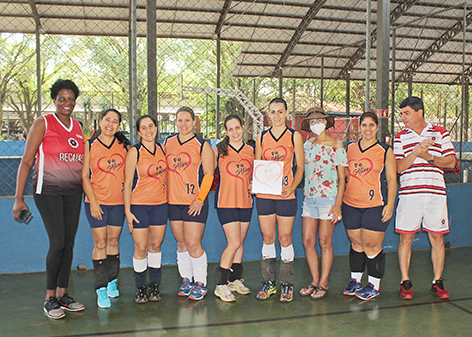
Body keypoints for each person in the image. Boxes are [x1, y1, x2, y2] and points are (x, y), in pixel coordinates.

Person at [12, 79, 85, 319]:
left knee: (69, 243)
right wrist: (18, 198)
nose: (67, 102)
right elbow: (26, 161)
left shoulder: (77, 126)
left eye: (71, 98)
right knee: (58, 242)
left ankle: (63, 294)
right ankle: (49, 298)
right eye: (62, 98)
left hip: (73, 192)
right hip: (48, 191)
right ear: (54, 100)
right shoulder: (43, 123)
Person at [394, 96, 456, 300]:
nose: (403, 118)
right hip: (409, 195)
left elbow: (451, 162)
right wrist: (416, 152)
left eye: (406, 113)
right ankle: (405, 282)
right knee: (406, 238)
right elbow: (398, 167)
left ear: (419, 112)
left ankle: (437, 282)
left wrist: (428, 157)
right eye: (401, 114)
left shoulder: (440, 132)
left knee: (437, 238)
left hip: (435, 196)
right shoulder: (400, 137)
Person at [341, 112, 397, 301]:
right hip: (350, 204)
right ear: (359, 127)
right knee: (356, 244)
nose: (367, 129)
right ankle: (355, 280)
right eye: (364, 125)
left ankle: (374, 285)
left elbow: (391, 179)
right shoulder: (349, 148)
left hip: (375, 205)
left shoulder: (385, 150)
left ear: (377, 127)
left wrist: (390, 204)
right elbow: (341, 175)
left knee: (372, 245)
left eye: (371, 125)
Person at [254, 98, 304, 302]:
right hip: (265, 195)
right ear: (268, 114)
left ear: (286, 113)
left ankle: (286, 284)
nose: (276, 116)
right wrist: (254, 183)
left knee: (285, 238)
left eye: (280, 112)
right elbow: (259, 165)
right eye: (272, 112)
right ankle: (268, 282)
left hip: (286, 195)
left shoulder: (294, 136)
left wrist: (291, 187)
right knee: (268, 238)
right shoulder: (261, 137)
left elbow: (300, 167)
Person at [164, 107, 214, 301]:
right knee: (182, 243)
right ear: (175, 122)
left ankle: (200, 282)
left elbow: (209, 175)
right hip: (173, 202)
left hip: (194, 203)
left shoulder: (202, 145)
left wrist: (199, 199)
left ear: (194, 121)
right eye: (179, 120)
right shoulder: (168, 143)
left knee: (193, 243)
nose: (183, 124)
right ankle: (187, 279)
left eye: (187, 120)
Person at [82, 109, 130, 309]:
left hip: (117, 203)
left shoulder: (124, 147)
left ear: (119, 126)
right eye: (107, 120)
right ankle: (100, 288)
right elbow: (84, 176)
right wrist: (93, 201)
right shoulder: (90, 145)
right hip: (97, 202)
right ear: (100, 122)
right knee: (100, 242)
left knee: (113, 240)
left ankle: (112, 281)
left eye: (115, 121)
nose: (110, 124)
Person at [299, 107, 347, 299]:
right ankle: (314, 280)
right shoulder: (306, 145)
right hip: (309, 199)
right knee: (308, 241)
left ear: (326, 122)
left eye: (319, 120)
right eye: (311, 121)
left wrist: (338, 204)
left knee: (325, 242)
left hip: (328, 199)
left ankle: (324, 283)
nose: (315, 124)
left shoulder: (337, 145)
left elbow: (343, 178)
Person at [123, 115, 168, 304]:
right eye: (144, 127)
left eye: (151, 126)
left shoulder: (162, 149)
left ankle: (154, 286)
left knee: (155, 246)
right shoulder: (134, 152)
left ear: (156, 128)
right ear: (139, 132)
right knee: (141, 248)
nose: (148, 130)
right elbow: (126, 184)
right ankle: (140, 288)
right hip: (139, 206)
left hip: (160, 205)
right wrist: (128, 211)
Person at [213, 115, 254, 302]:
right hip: (226, 202)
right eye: (230, 129)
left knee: (240, 242)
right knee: (234, 242)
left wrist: (255, 184)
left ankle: (234, 280)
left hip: (245, 202)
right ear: (226, 132)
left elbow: (258, 175)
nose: (234, 132)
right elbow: (206, 173)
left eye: (237, 128)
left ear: (243, 128)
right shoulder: (219, 150)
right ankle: (220, 285)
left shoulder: (251, 151)